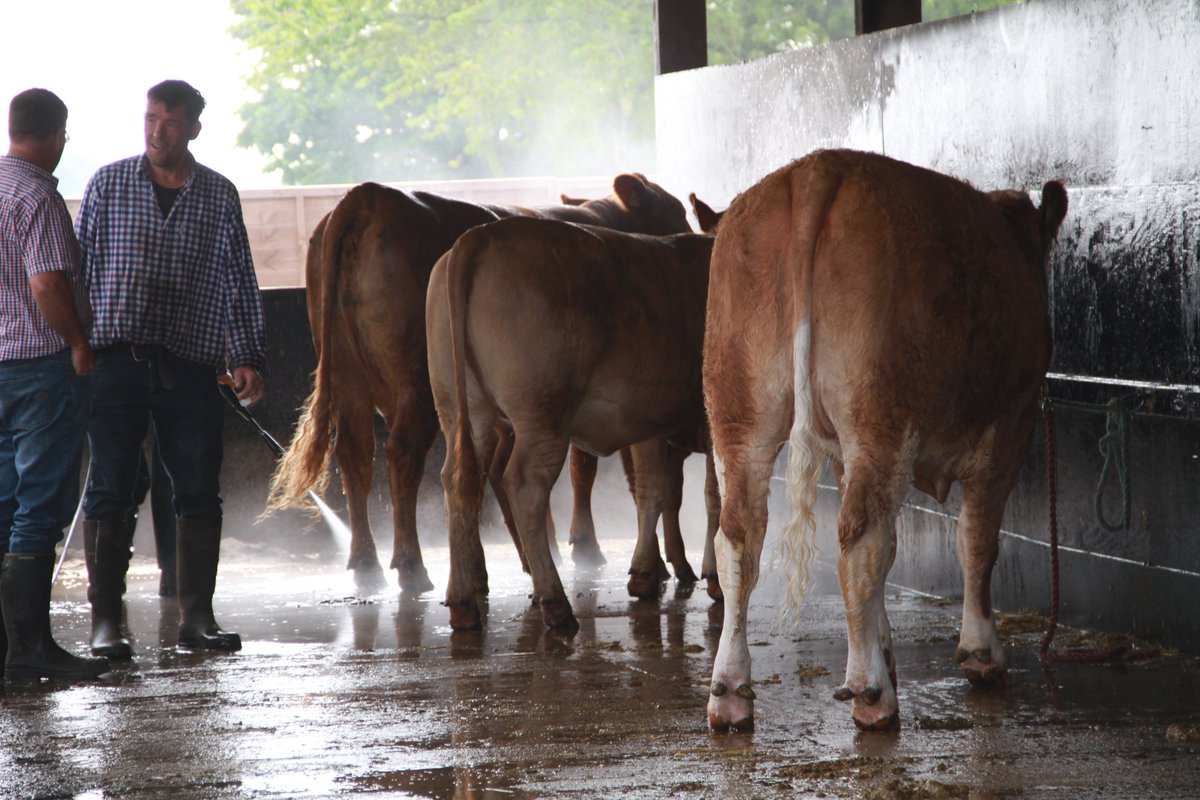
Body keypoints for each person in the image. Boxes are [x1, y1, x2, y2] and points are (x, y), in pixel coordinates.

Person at [75, 79, 266, 659]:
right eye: (151, 119)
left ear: (194, 130)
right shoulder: (108, 184)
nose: (158, 132)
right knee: (110, 489)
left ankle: (197, 619)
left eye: (172, 123)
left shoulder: (218, 194)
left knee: (199, 490)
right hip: (115, 362)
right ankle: (107, 622)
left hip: (190, 363)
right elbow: (80, 272)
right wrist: (74, 349)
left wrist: (248, 356)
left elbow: (238, 277)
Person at [0, 88, 110, 681]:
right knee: (39, 505)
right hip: (41, 368)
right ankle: (30, 650)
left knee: (1, 500)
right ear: (57, 134)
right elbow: (46, 284)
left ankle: (5, 648)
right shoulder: (37, 192)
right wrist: (77, 341)